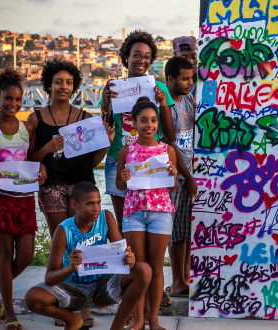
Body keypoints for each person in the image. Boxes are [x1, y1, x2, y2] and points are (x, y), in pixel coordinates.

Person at [100, 29, 176, 312]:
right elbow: (106, 127)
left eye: (147, 57)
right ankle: (134, 287)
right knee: (126, 230)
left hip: (153, 163)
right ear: (126, 57)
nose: (141, 60)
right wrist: (107, 103)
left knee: (155, 226)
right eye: (136, 55)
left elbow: (171, 134)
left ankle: (153, 286)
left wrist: (164, 103)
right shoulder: (113, 87)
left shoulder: (160, 88)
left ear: (152, 60)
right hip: (121, 161)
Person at [0, 68, 47, 330]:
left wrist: (42, 169)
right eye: (8, 99)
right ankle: (10, 311)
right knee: (5, 255)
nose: (13, 104)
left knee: (26, 255)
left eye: (17, 100)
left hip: (24, 196)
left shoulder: (27, 128)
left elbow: (32, 157)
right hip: (0, 198)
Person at [24, 182, 151, 330]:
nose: (96, 208)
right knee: (32, 297)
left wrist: (129, 259)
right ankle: (72, 320)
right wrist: (70, 268)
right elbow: (49, 278)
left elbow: (121, 254)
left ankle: (116, 327)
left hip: (104, 287)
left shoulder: (106, 217)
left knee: (143, 270)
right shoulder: (64, 230)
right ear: (75, 204)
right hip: (72, 289)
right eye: (90, 203)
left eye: (98, 203)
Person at [27, 58, 113, 238]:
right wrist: (47, 148)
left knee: (82, 238)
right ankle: (59, 267)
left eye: (68, 83)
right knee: (60, 238)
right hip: (52, 186)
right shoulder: (36, 119)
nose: (63, 87)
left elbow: (91, 162)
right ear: (49, 85)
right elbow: (30, 159)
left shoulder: (85, 118)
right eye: (58, 82)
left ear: (74, 87)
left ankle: (77, 268)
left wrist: (107, 143)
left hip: (82, 185)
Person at [117, 97, 179, 330]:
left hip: (160, 212)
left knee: (156, 267)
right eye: (143, 120)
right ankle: (137, 320)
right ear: (134, 123)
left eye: (153, 120)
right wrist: (122, 178)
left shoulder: (167, 150)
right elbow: (120, 186)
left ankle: (153, 320)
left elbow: (172, 186)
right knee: (138, 268)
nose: (149, 125)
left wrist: (173, 173)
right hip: (133, 213)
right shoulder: (127, 150)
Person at [161, 56, 197, 298]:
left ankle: (184, 280)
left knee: (185, 232)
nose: (189, 82)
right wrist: (188, 176)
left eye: (192, 78)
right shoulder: (165, 105)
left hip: (190, 173)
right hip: (176, 175)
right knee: (174, 234)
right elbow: (171, 140)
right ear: (170, 79)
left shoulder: (189, 98)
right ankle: (176, 281)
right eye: (184, 79)